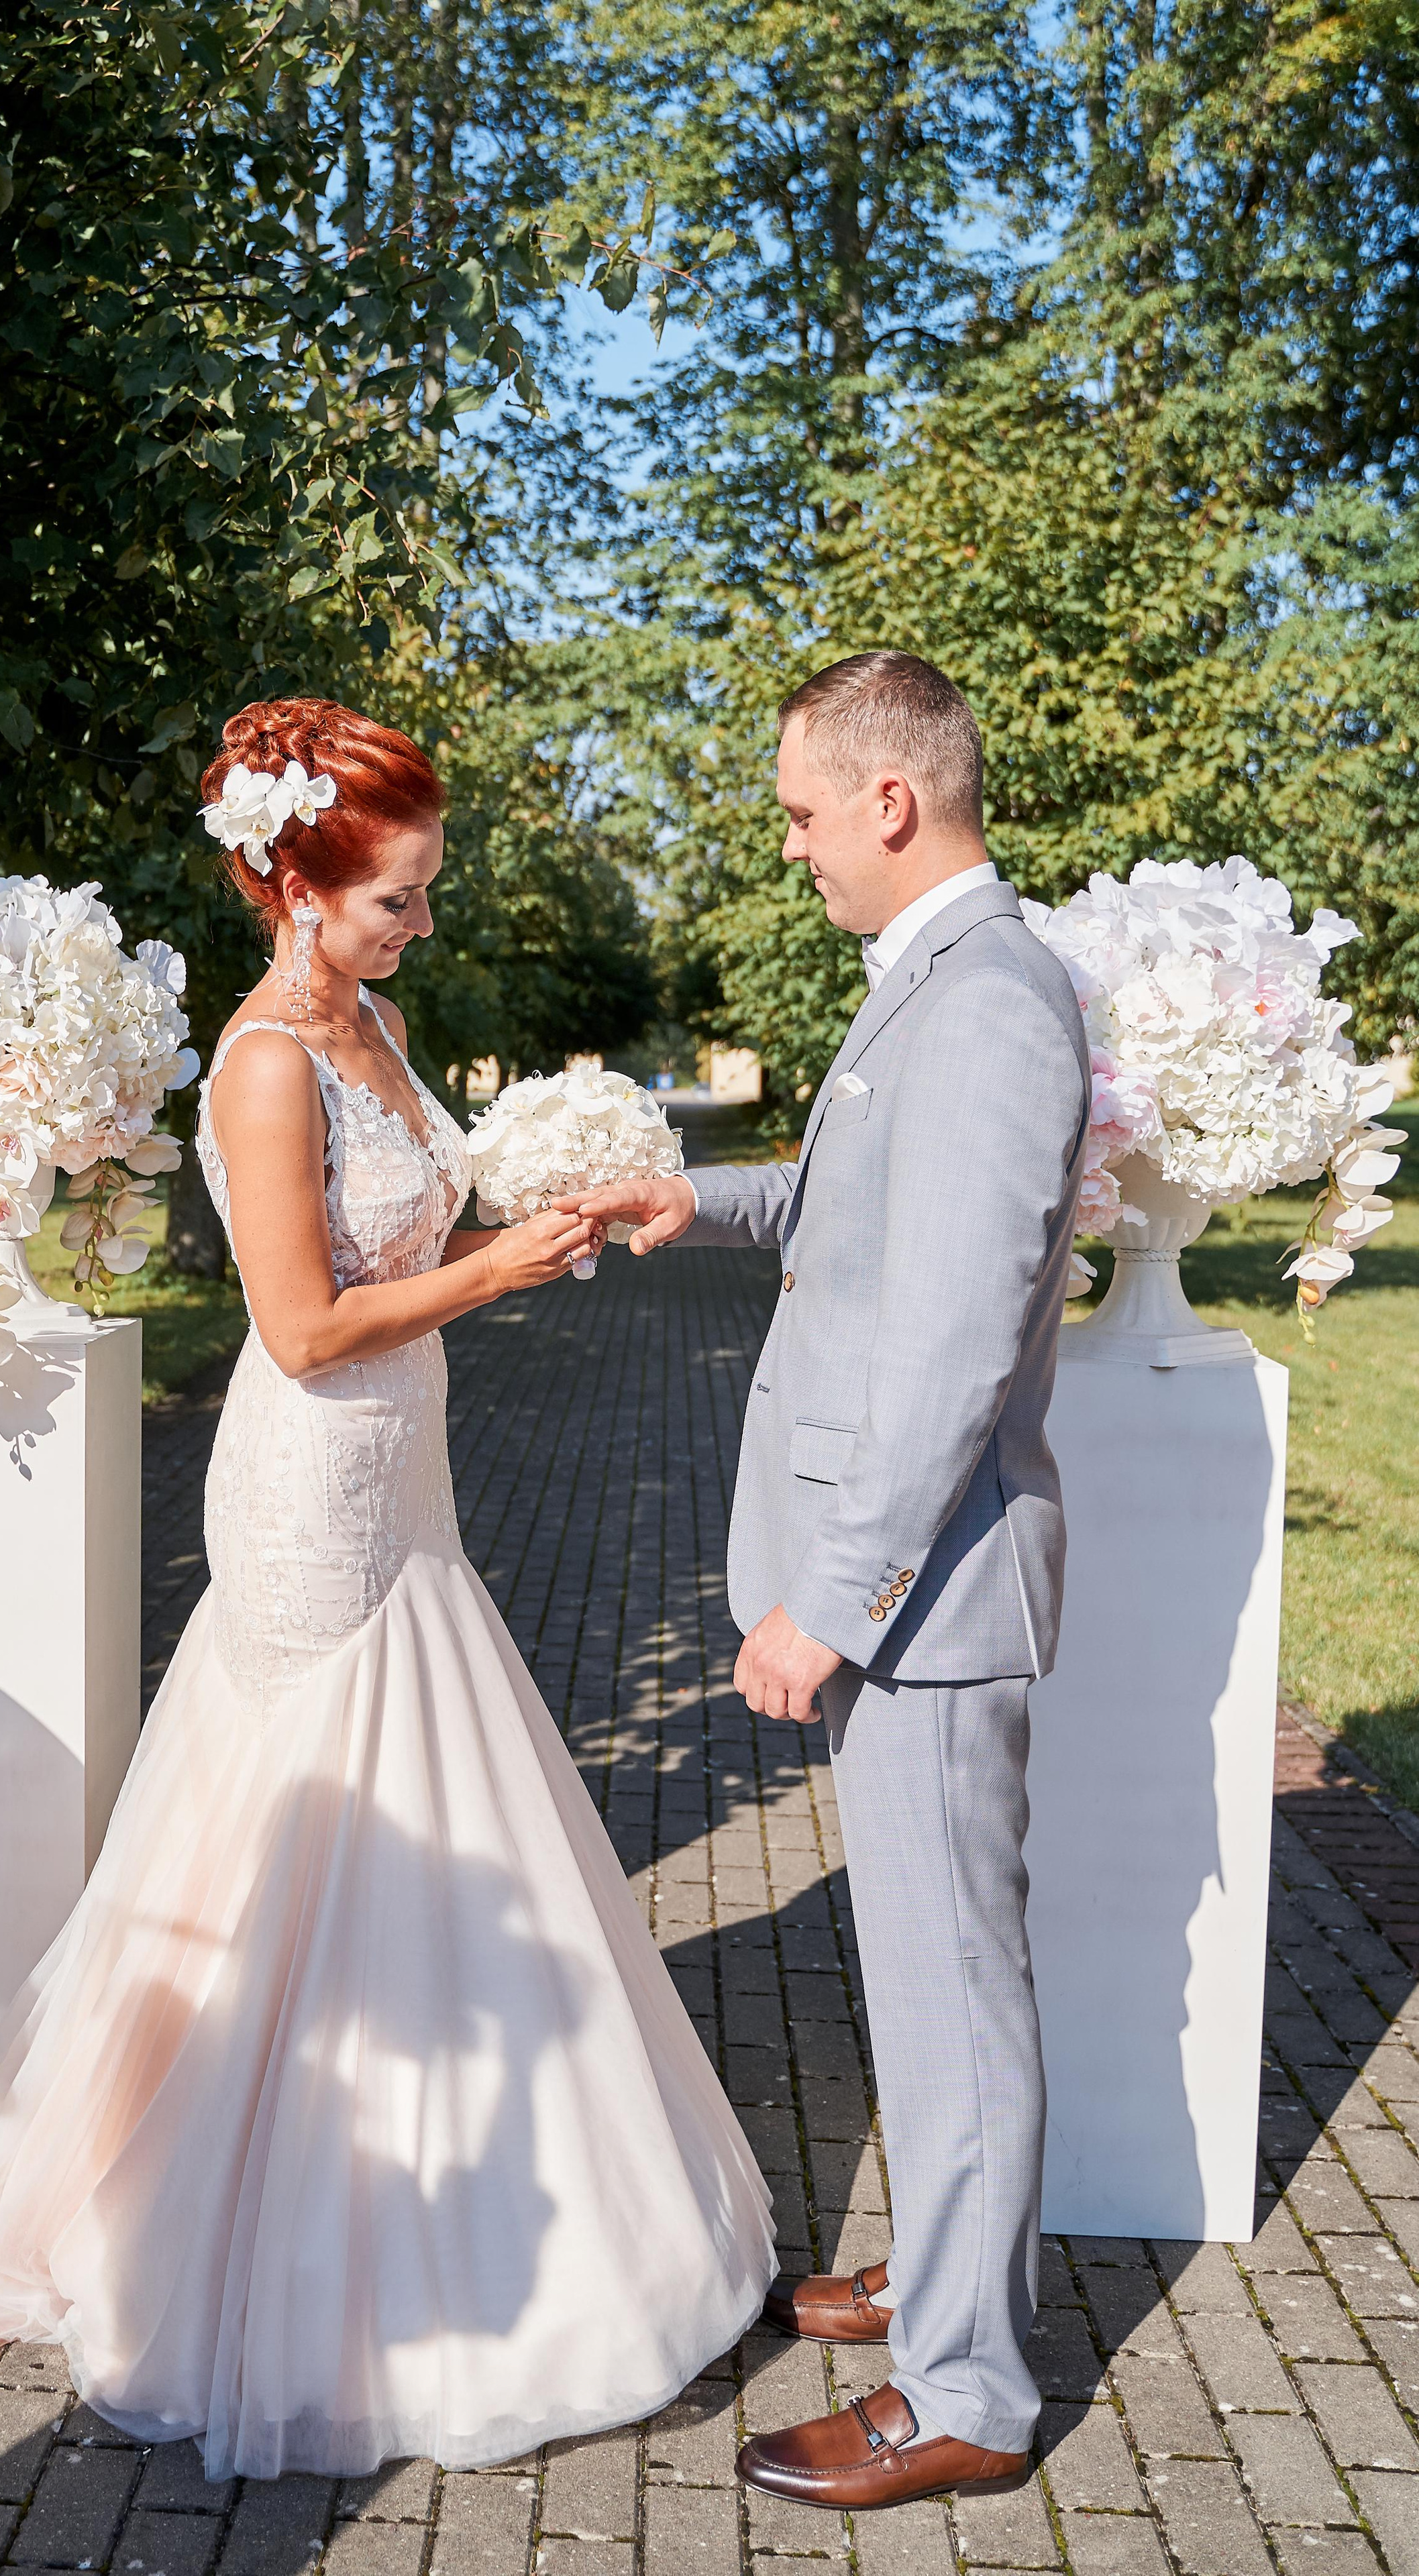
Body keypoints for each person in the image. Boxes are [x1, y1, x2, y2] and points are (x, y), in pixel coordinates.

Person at [0, 699, 774, 2481]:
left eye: (425, 897)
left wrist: (560, 1195)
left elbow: (415, 1225)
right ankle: (245, 2205)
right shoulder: (266, 1062)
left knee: (428, 1791)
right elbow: (298, 1326)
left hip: (404, 1470)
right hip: (308, 1483)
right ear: (296, 883)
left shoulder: (380, 1026)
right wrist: (504, 1271)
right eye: (394, 901)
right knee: (298, 1815)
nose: (418, 927)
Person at [565, 651, 1090, 2512]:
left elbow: (950, 1341)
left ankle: (966, 2393)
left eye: (799, 811)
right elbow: (855, 1218)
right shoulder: (938, 992)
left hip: (930, 1605)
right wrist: (686, 1202)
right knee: (923, 1982)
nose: (791, 847)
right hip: (913, 1597)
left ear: (892, 800)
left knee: (957, 1998)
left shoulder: (992, 1001)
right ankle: (944, 2282)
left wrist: (834, 1597)